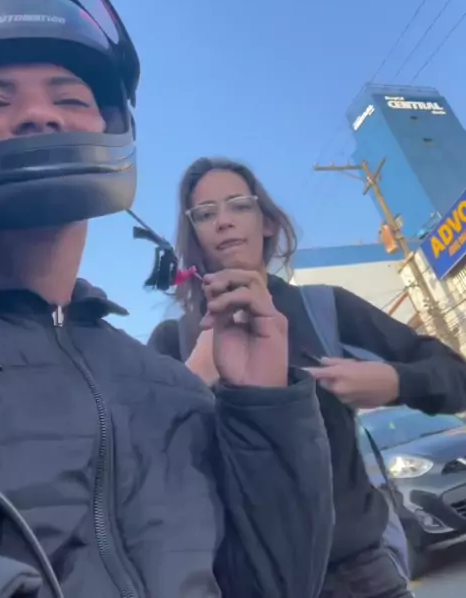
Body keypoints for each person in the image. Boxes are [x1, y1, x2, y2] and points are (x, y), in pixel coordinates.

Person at [0, 0, 334, 598]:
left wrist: (266, 407)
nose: (39, 114)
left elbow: (276, 582)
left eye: (69, 96)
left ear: (113, 124)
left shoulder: (165, 385)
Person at [148, 156, 466, 598]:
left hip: (360, 575)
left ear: (266, 221)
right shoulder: (174, 343)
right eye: (205, 213)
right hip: (244, 585)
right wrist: (197, 378)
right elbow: (144, 477)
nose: (223, 221)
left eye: (238, 205)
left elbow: (455, 375)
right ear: (193, 235)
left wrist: (393, 381)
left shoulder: (324, 309)